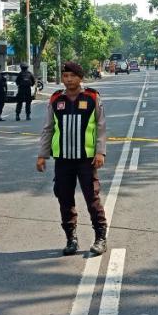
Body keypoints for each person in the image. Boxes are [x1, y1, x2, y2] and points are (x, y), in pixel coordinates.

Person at [37, 61, 108, 256]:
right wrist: (42, 155)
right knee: (64, 199)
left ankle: (100, 238)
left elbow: (101, 127)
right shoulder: (55, 99)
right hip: (63, 160)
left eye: (72, 76)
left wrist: (100, 152)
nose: (68, 80)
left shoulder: (92, 97)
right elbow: (48, 128)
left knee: (92, 198)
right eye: (65, 76)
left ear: (80, 77)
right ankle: (71, 238)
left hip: (86, 159)